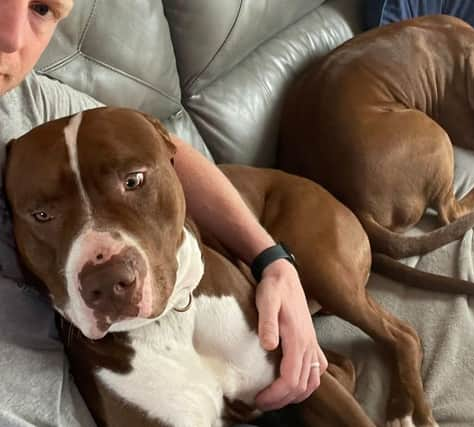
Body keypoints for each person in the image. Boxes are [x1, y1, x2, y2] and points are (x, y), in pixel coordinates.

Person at [0, 1, 326, 426]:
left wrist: (273, 260)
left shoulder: (27, 98)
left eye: (42, 8)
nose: (11, 36)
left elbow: (159, 148)